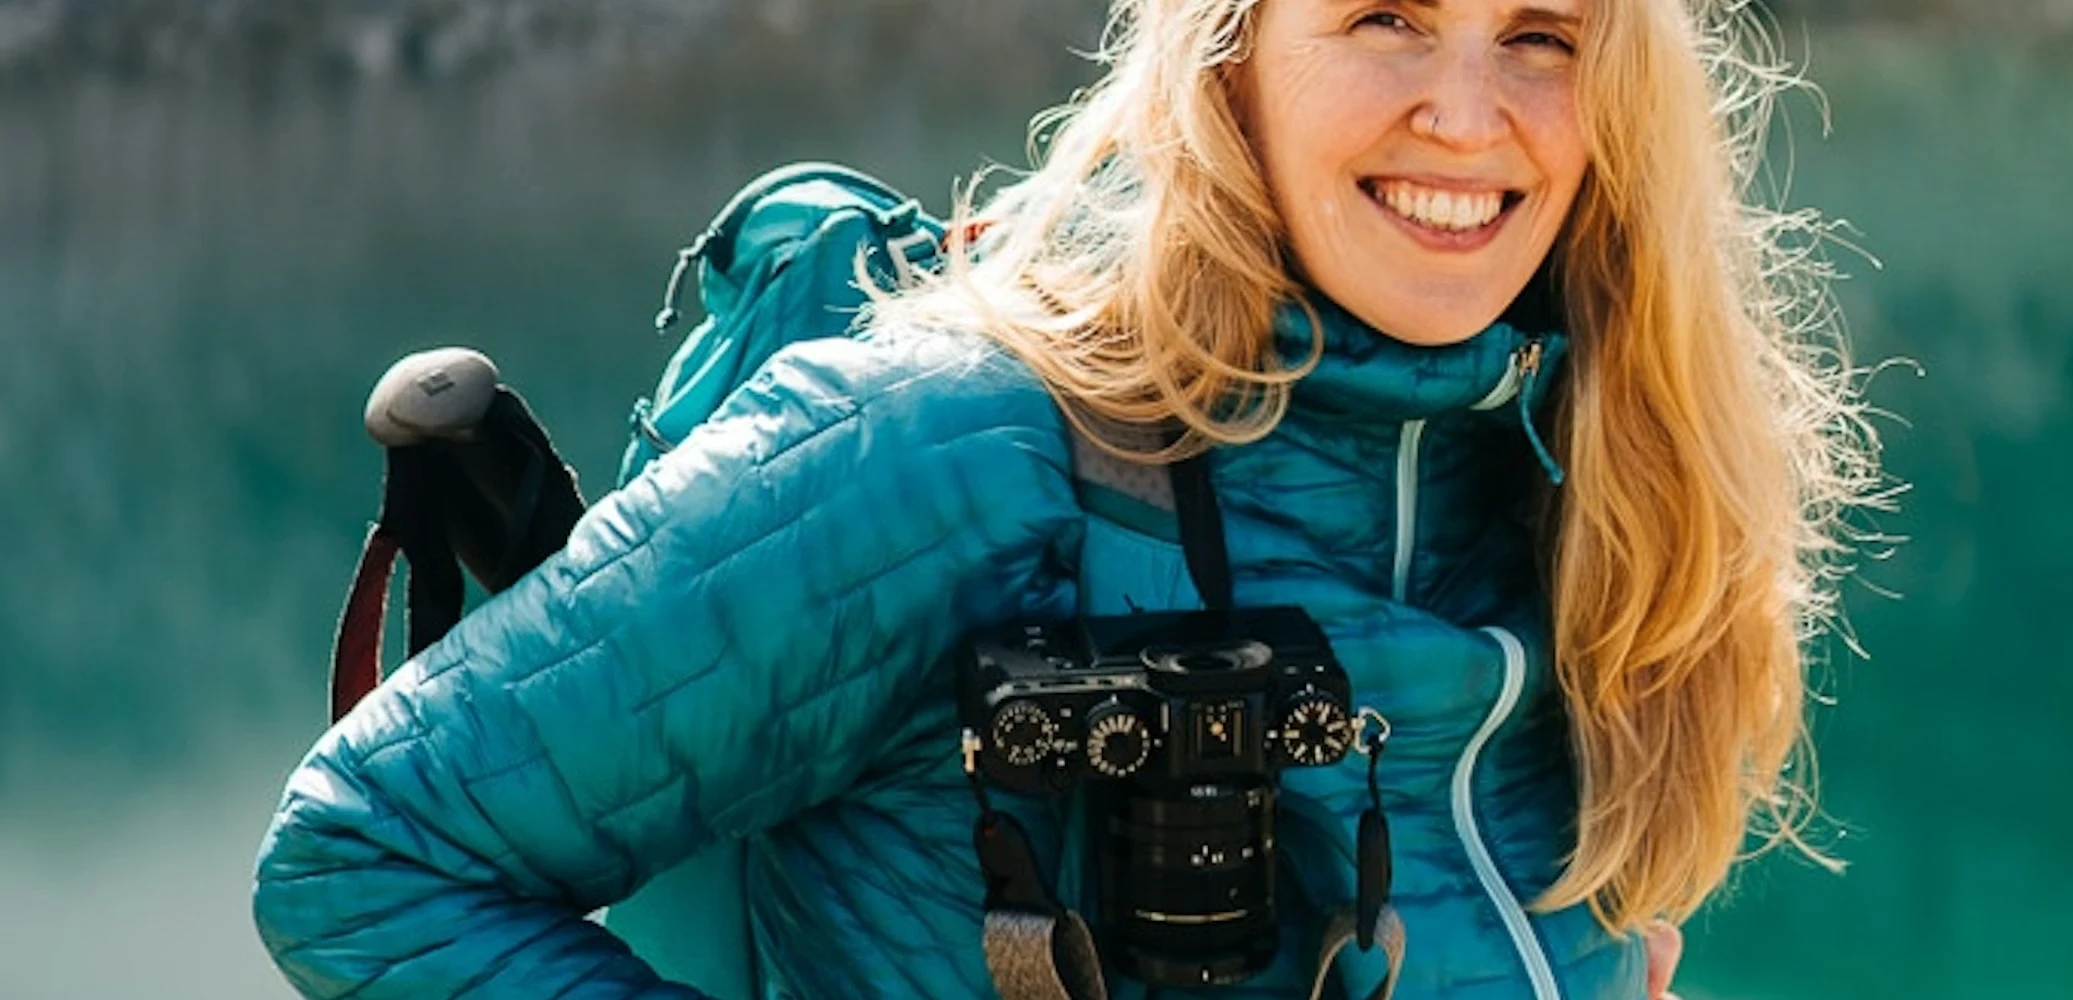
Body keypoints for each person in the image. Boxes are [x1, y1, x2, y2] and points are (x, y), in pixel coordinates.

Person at [252, 0, 1878, 997]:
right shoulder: (946, 446)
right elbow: (367, 858)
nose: (1468, 112)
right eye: (1385, 13)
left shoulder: (1580, 452)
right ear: (1228, 55)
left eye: (1544, 33)